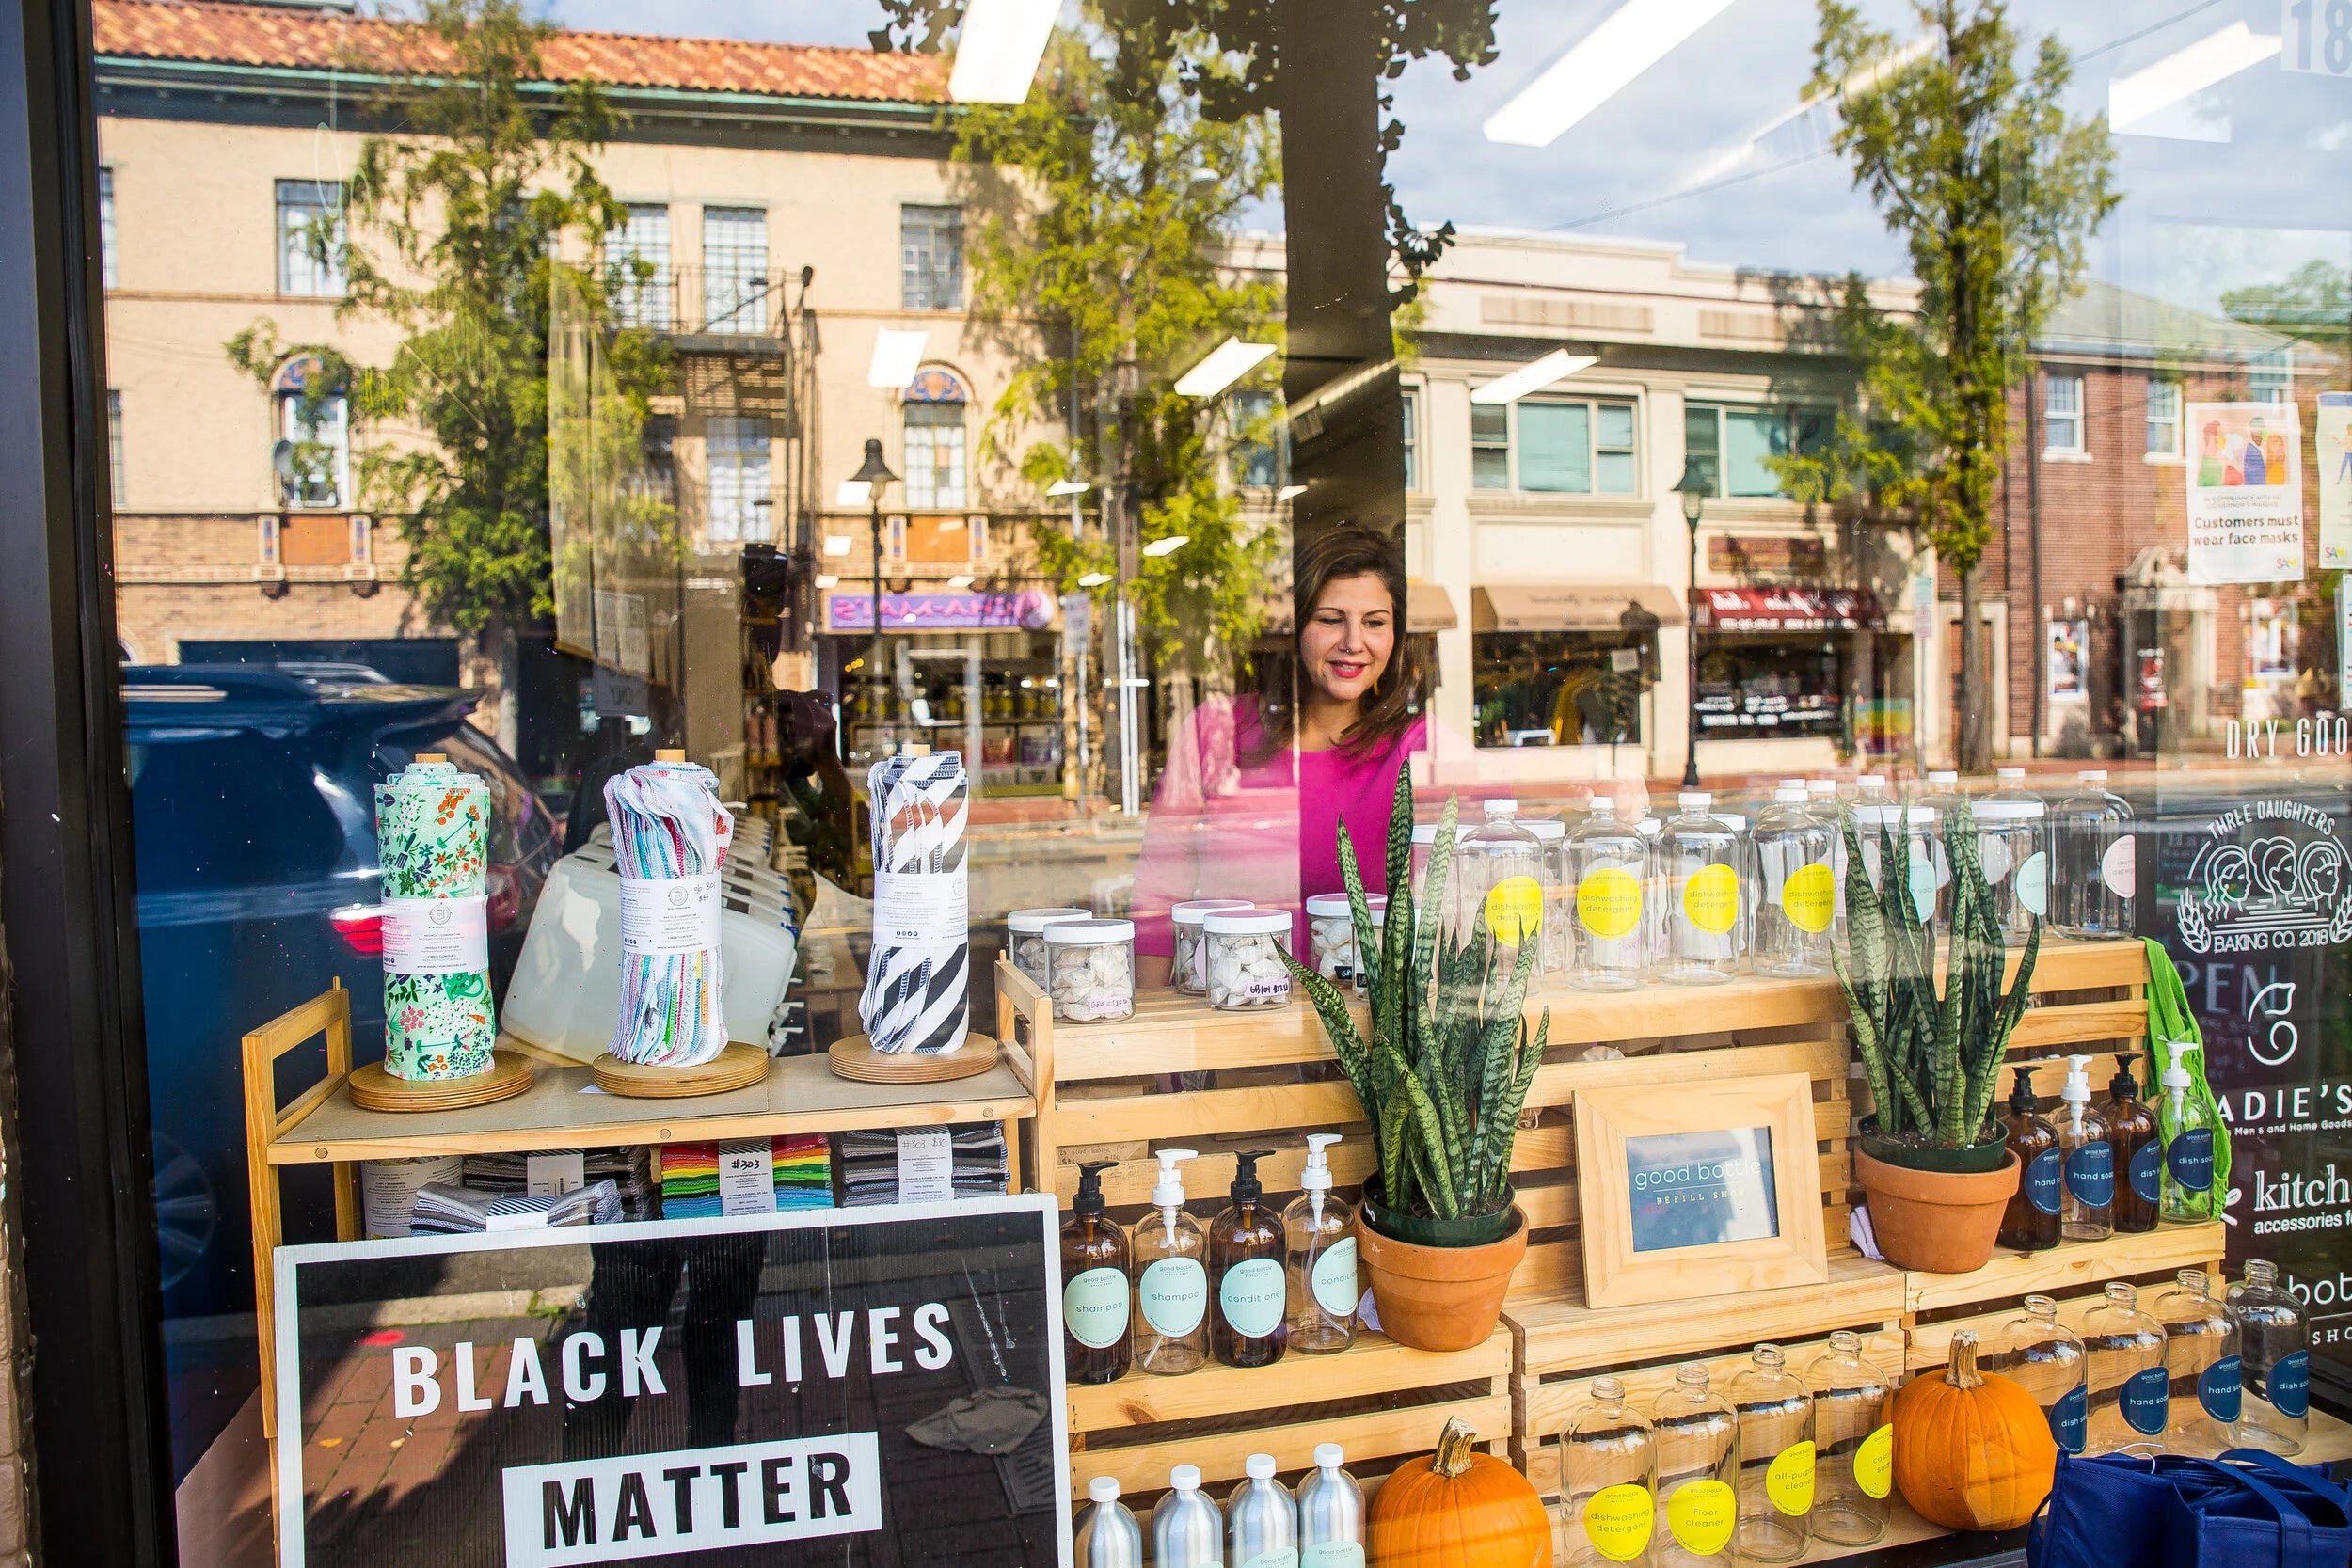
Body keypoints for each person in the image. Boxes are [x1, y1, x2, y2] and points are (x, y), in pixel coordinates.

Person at [1132, 523, 1426, 981]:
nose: (1353, 642)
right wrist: (1150, 1031)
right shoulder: (1217, 732)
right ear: (1295, 627)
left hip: (1372, 1034)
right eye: (1330, 619)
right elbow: (1157, 901)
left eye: (1375, 622)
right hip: (1233, 1012)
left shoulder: (1420, 750)